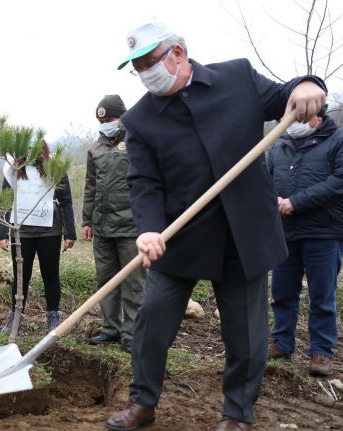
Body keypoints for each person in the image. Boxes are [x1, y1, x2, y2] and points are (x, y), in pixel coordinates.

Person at [104, 21, 327, 431]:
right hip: (180, 238)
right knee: (151, 321)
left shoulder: (236, 78)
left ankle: (237, 414)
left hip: (244, 236)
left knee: (245, 335)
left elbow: (285, 96)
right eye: (137, 67)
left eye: (149, 61)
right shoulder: (140, 120)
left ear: (177, 54)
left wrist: (307, 83)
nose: (144, 73)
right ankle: (142, 402)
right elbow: (144, 183)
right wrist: (148, 229)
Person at [266, 107, 343, 377]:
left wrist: (295, 203)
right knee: (282, 292)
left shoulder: (338, 141)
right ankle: (281, 342)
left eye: (299, 116)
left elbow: (338, 182)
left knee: (322, 294)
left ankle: (321, 350)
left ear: (317, 117)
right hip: (285, 232)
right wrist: (271, 199)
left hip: (324, 232)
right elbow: (266, 179)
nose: (291, 122)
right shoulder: (280, 145)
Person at [83, 95, 145, 353]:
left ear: (122, 117)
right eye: (102, 121)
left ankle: (132, 333)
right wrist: (87, 220)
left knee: (133, 283)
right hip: (103, 227)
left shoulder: (137, 141)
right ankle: (110, 328)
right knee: (106, 280)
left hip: (131, 226)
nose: (106, 124)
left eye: (110, 120)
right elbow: (90, 187)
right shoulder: (95, 149)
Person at [0, 140, 76, 333]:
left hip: (50, 230)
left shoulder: (55, 168)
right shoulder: (13, 169)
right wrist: (2, 233)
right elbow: (5, 202)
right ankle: (15, 318)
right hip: (21, 232)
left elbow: (66, 202)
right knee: (21, 276)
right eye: (27, 148)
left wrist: (69, 233)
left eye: (36, 149)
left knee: (51, 275)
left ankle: (53, 317)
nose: (32, 152)